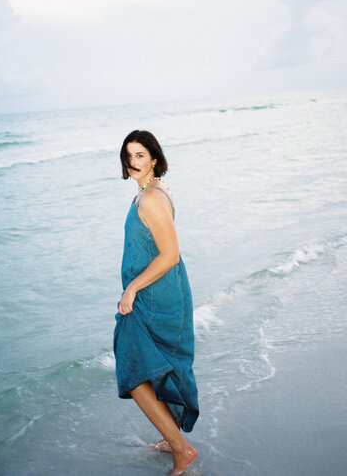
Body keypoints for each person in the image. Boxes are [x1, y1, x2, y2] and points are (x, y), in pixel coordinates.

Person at [113, 130, 199, 475]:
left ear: (154, 159)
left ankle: (182, 450)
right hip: (155, 293)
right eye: (128, 155)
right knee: (151, 368)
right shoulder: (147, 193)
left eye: (139, 155)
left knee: (134, 373)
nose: (132, 162)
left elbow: (170, 255)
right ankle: (172, 437)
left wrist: (131, 289)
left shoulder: (151, 198)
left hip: (156, 298)